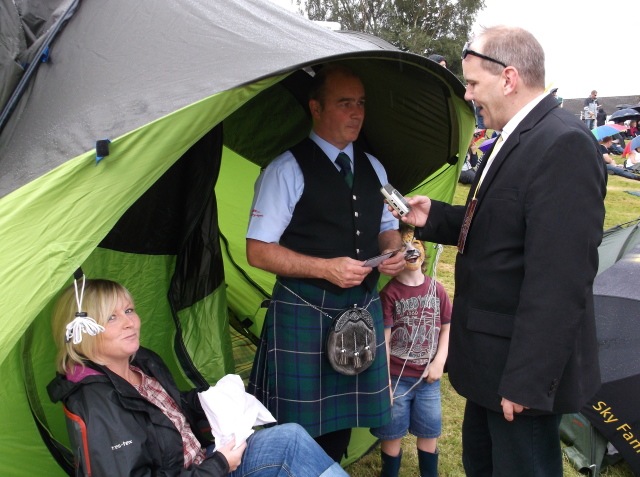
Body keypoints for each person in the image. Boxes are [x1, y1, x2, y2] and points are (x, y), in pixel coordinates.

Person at [390, 26, 607, 476]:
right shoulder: (514, 135)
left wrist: (527, 380)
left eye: (472, 83)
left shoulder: (562, 143)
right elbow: (500, 226)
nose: (468, 95)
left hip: (518, 376)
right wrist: (437, 217)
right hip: (489, 366)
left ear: (508, 78)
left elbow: (561, 278)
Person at [245, 64, 405, 462]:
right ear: (315, 108)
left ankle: (329, 466)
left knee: (342, 417)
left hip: (360, 307)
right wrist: (324, 268)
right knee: (295, 425)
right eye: (344, 103)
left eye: (361, 103)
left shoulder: (376, 168)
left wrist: (394, 250)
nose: (356, 113)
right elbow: (258, 250)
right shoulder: (285, 170)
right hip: (305, 309)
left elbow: (389, 227)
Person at [47, 278, 347, 477]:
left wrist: (216, 400)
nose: (130, 323)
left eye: (129, 310)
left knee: (289, 437)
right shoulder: (97, 403)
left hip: (203, 463)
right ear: (80, 331)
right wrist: (220, 464)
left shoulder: (140, 365)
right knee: (289, 446)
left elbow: (167, 415)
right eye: (112, 317)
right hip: (207, 469)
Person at [370, 224, 451, 477]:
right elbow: (383, 341)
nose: (411, 250)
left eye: (415, 244)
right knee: (392, 433)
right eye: (403, 247)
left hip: (428, 380)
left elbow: (447, 328)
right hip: (396, 380)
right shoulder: (389, 294)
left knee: (429, 431)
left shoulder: (437, 289)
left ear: (424, 251)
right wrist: (385, 383)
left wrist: (439, 362)